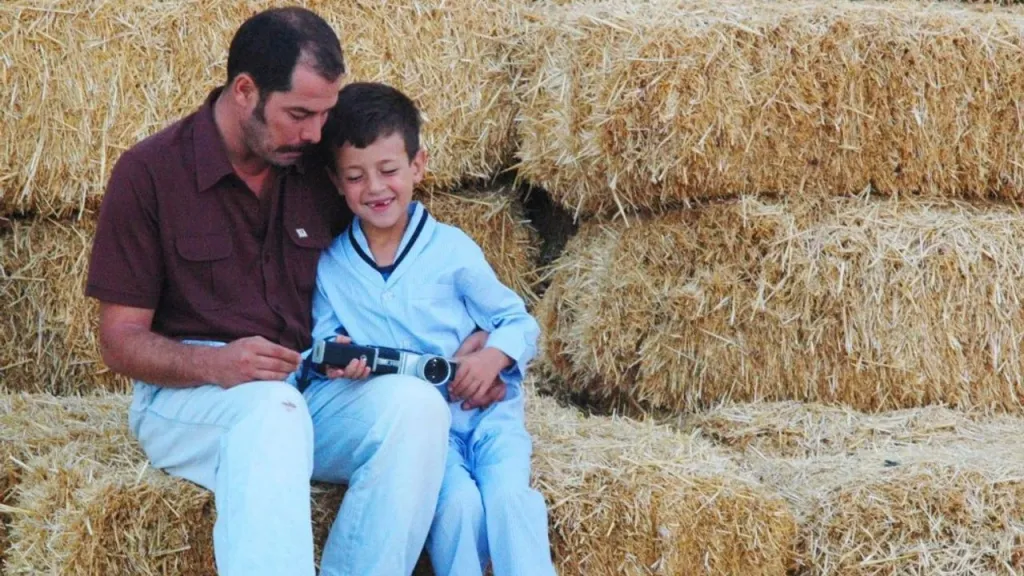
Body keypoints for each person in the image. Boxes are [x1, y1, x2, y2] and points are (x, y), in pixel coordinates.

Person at [85, 7, 505, 576]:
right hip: (190, 400)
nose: (314, 134)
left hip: (306, 387)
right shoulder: (150, 172)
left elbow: (398, 261)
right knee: (271, 412)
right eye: (299, 114)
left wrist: (476, 342)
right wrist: (217, 365)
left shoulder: (318, 167)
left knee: (417, 408)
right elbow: (119, 341)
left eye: (324, 115)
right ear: (245, 91)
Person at [308, 81, 557, 576]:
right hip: (428, 435)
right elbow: (319, 343)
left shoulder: (451, 249)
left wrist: (492, 358)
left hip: (489, 418)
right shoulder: (332, 266)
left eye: (388, 170)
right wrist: (336, 358)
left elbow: (516, 320)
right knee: (457, 506)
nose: (375, 188)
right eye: (356, 176)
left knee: (509, 500)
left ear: (417, 165)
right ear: (336, 181)